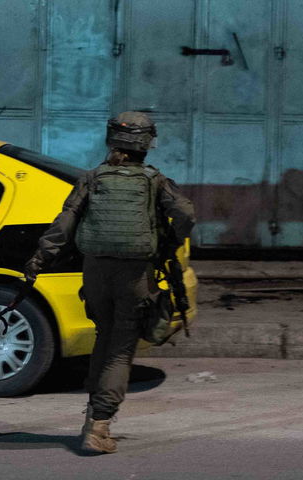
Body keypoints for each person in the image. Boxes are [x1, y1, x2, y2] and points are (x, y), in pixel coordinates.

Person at [21, 111, 194, 454]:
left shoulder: (92, 178)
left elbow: (65, 223)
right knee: (120, 348)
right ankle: (99, 425)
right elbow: (186, 213)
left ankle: (92, 414)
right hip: (135, 274)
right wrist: (171, 242)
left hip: (96, 272)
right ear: (146, 144)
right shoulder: (155, 181)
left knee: (104, 335)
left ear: (111, 140)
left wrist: (39, 259)